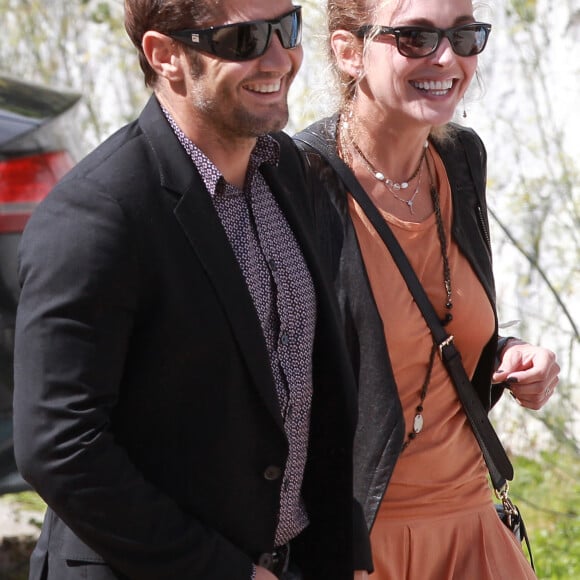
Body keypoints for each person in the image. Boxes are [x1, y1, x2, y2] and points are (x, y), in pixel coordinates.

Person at [12, 1, 372, 579]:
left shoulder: (288, 170)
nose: (281, 58)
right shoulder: (96, 214)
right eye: (245, 38)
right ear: (164, 55)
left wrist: (340, 548)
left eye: (288, 27)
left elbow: (311, 386)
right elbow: (60, 445)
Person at [294, 0, 560, 578]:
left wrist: (505, 353)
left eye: (463, 36)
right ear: (347, 51)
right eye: (414, 37)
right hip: (361, 543)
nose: (446, 57)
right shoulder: (296, 181)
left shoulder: (460, 158)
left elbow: (436, 318)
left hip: (472, 531)